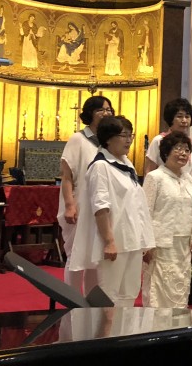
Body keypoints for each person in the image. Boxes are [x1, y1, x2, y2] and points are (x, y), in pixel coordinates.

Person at [71, 115, 155, 307]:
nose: (129, 140)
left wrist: (146, 241)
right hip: (115, 240)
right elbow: (100, 206)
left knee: (129, 293)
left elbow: (137, 205)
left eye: (130, 135)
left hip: (133, 240)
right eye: (123, 135)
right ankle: (106, 328)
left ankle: (124, 326)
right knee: (109, 295)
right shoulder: (101, 166)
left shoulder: (126, 164)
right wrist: (109, 241)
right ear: (108, 138)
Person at [58, 95, 114, 293]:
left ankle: (91, 302)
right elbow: (67, 176)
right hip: (80, 205)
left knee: (95, 256)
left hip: (100, 207)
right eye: (101, 110)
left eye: (108, 110)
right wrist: (70, 205)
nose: (106, 113)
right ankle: (72, 299)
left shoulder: (109, 143)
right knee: (76, 254)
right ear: (90, 113)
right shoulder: (79, 139)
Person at [142, 132, 192, 308]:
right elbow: (145, 212)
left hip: (183, 244)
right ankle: (155, 324)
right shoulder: (155, 177)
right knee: (158, 289)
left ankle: (177, 323)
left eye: (187, 150)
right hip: (160, 244)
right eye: (178, 148)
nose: (183, 153)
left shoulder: (188, 178)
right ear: (166, 151)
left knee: (180, 287)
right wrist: (147, 244)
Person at [144, 98, 192, 208]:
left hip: (186, 194)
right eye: (179, 116)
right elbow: (149, 170)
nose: (184, 120)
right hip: (164, 196)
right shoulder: (159, 141)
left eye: (187, 116)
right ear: (171, 118)